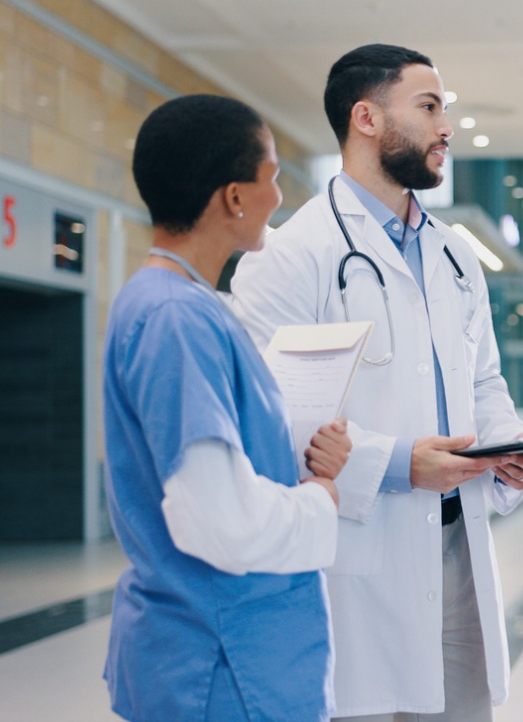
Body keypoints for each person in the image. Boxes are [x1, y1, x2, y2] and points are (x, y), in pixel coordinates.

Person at [230, 44, 523, 721]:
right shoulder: (291, 256)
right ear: (367, 119)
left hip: (458, 545)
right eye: (429, 107)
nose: (446, 128)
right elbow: (275, 416)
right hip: (357, 546)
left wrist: (510, 445)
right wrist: (398, 464)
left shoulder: (456, 254)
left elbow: (483, 381)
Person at [103, 94, 352, 721]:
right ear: (234, 196)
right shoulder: (175, 318)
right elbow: (218, 519)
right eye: (271, 176)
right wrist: (318, 501)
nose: (278, 194)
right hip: (219, 669)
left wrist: (298, 456)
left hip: (214, 660)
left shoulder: (177, 303)